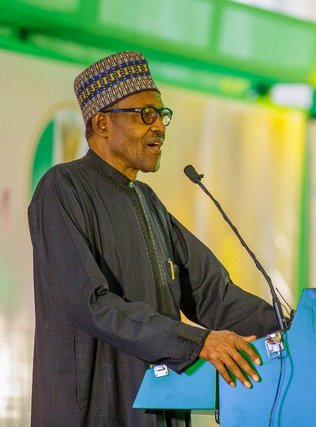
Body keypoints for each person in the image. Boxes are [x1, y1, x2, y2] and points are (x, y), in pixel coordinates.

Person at [28, 51, 280, 426]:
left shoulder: (147, 202)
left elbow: (214, 295)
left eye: (162, 115)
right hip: (94, 410)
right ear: (101, 123)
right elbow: (90, 303)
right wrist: (196, 343)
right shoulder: (63, 188)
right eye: (145, 114)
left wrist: (296, 330)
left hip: (156, 406)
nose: (159, 126)